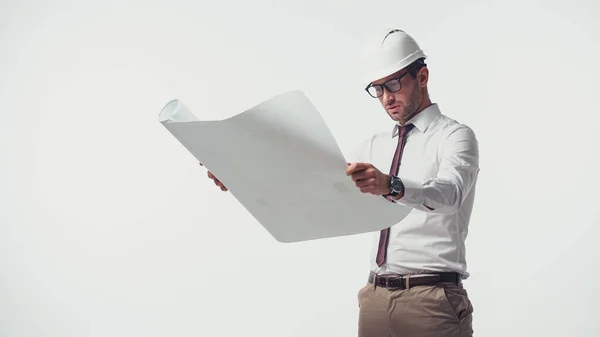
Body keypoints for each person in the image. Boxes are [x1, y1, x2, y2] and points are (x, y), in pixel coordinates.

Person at [200, 29, 480, 337]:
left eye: (394, 83)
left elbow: (450, 193)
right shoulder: (374, 145)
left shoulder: (454, 136)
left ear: (422, 76)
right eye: (378, 88)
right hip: (375, 297)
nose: (387, 97)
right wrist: (240, 177)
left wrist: (392, 186)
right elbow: (315, 184)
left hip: (432, 299)